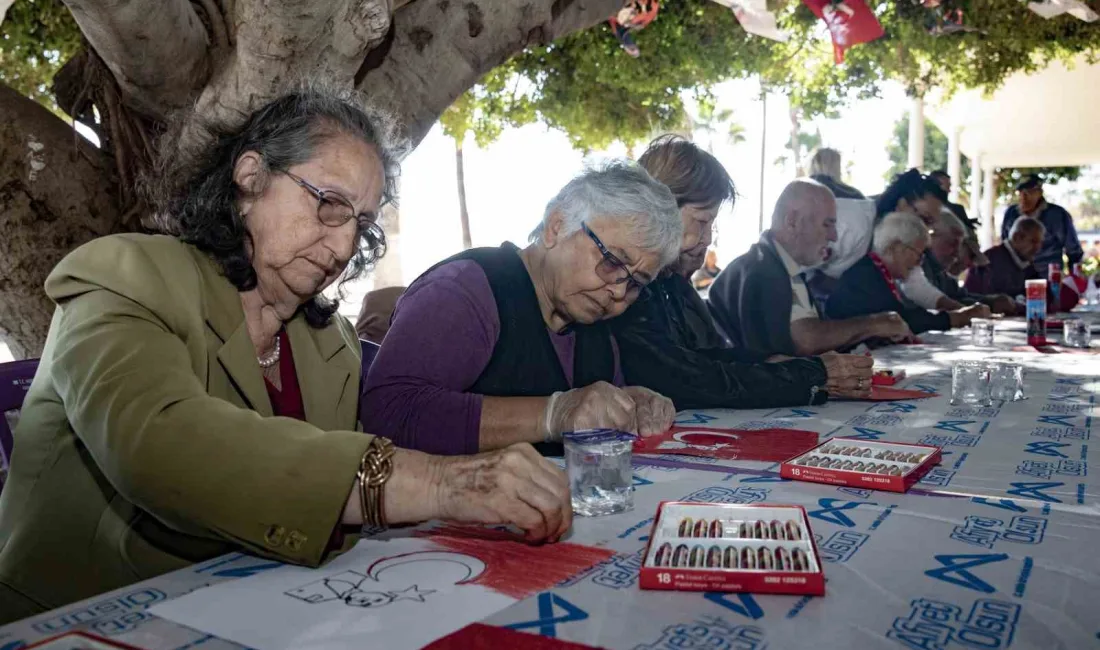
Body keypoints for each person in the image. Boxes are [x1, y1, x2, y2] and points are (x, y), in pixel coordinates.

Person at [0, 86, 574, 623]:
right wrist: (443, 483)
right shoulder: (122, 276)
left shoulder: (331, 343)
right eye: (329, 203)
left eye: (361, 223)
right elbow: (156, 444)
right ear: (250, 177)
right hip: (83, 618)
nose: (345, 245)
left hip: (260, 611)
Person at [362, 162, 679, 456]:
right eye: (611, 261)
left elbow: (591, 416)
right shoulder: (464, 290)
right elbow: (388, 411)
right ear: (557, 227)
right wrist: (552, 414)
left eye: (636, 282)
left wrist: (627, 404)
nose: (619, 291)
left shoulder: (597, 328)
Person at [611, 136, 873, 410]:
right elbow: (683, 379)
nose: (708, 238)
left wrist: (783, 365)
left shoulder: (669, 283)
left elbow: (707, 358)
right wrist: (811, 373)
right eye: (702, 221)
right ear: (659, 209)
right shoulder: (631, 283)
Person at [708, 179, 912, 358]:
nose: (834, 236)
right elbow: (805, 339)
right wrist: (874, 324)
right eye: (827, 224)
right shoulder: (761, 269)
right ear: (793, 221)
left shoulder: (783, 266)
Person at [827, 212, 990, 335]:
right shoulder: (865, 276)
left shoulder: (875, 271)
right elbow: (904, 321)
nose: (919, 262)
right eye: (918, 253)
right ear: (896, 247)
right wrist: (957, 318)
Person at [924, 210, 1015, 314]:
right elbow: (931, 308)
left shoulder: (941, 273)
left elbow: (960, 296)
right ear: (930, 238)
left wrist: (992, 302)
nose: (956, 253)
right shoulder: (919, 268)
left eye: (959, 246)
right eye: (952, 244)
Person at [1000, 175, 1083, 272]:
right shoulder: (1011, 213)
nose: (1023, 197)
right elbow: (1005, 245)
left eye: (1028, 192)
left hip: (1048, 274)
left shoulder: (1057, 215)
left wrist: (1074, 278)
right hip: (1017, 275)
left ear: (1039, 192)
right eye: (1020, 193)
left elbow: (1073, 250)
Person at [964, 217, 1044, 300]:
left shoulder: (1026, 262)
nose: (1038, 248)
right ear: (1016, 237)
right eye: (1033, 241)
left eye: (1040, 243)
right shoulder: (991, 261)